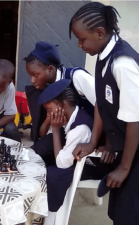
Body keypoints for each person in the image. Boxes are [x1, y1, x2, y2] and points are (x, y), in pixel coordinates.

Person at [70, 2, 139, 224]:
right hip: (124, 145)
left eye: (82, 39)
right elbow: (103, 104)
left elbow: (135, 120)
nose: (79, 45)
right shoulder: (102, 56)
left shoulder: (122, 64)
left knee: (128, 214)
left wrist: (124, 167)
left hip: (135, 146)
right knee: (117, 211)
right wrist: (96, 142)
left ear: (100, 33)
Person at [24, 41, 95, 157]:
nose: (32, 80)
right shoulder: (45, 90)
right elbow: (43, 132)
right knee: (35, 151)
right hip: (65, 134)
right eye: (30, 76)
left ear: (50, 69)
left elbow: (103, 105)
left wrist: (106, 143)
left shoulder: (77, 77)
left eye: (35, 75)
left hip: (88, 134)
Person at [36, 79, 93, 224]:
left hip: (92, 166)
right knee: (42, 155)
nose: (48, 115)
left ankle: (51, 215)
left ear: (62, 105)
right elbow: (43, 135)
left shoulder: (80, 129)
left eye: (49, 110)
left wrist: (55, 130)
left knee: (54, 173)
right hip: (72, 158)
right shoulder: (68, 117)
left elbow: (61, 164)